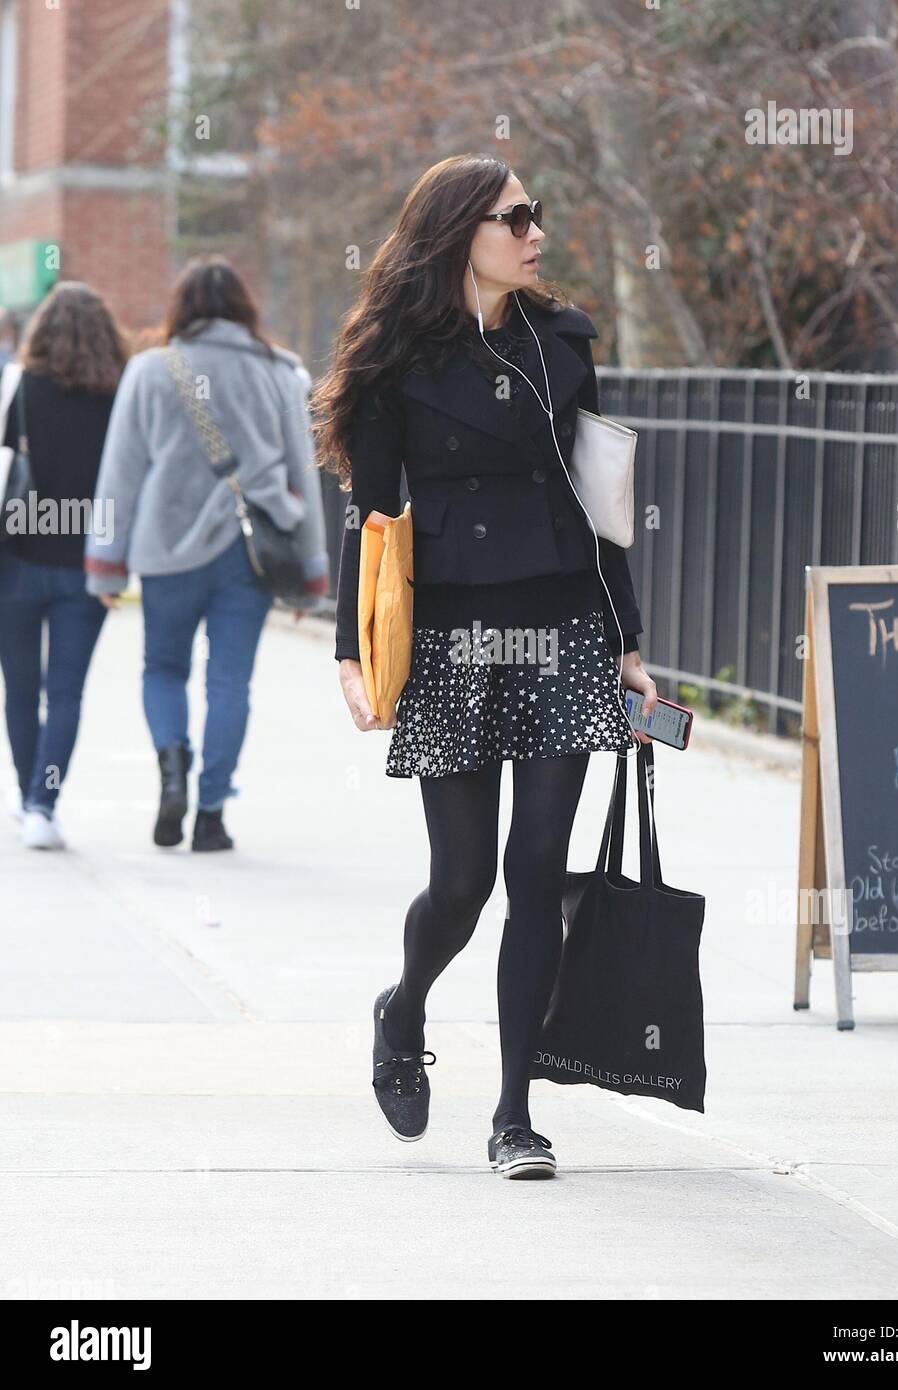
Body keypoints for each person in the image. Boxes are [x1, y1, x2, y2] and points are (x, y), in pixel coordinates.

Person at [314, 154, 659, 1179]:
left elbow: (605, 509)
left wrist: (627, 641)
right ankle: (404, 1004)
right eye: (517, 218)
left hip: (560, 626)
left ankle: (515, 1113)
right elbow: (371, 520)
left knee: (535, 874)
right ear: (463, 229)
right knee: (460, 883)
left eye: (538, 216)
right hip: (454, 637)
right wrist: (350, 646)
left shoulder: (565, 343)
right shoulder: (395, 358)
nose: (536, 234)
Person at [84, 256, 329, 852]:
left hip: (166, 550)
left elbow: (119, 474)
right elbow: (306, 472)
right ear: (246, 306)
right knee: (230, 684)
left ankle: (173, 771)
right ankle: (212, 814)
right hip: (252, 556)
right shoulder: (282, 372)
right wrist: (312, 571)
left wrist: (106, 559)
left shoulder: (148, 371)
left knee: (163, 669)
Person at [0, 282, 128, 849]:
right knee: (67, 693)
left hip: (18, 558)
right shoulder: (119, 393)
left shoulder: (22, 385)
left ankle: (31, 801)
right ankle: (42, 803)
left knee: (21, 690)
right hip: (88, 561)